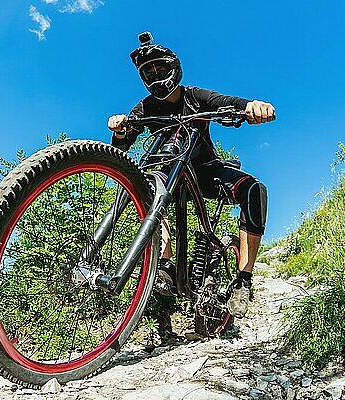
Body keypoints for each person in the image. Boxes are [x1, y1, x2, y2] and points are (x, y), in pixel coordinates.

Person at [107, 32, 275, 326]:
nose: (156, 76)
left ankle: (243, 281)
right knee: (145, 186)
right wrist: (120, 129)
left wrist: (252, 106)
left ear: (174, 69)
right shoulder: (145, 108)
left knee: (253, 190)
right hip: (166, 171)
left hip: (205, 171)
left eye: (161, 69)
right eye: (149, 72)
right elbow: (121, 144)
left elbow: (230, 102)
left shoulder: (195, 97)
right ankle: (166, 265)